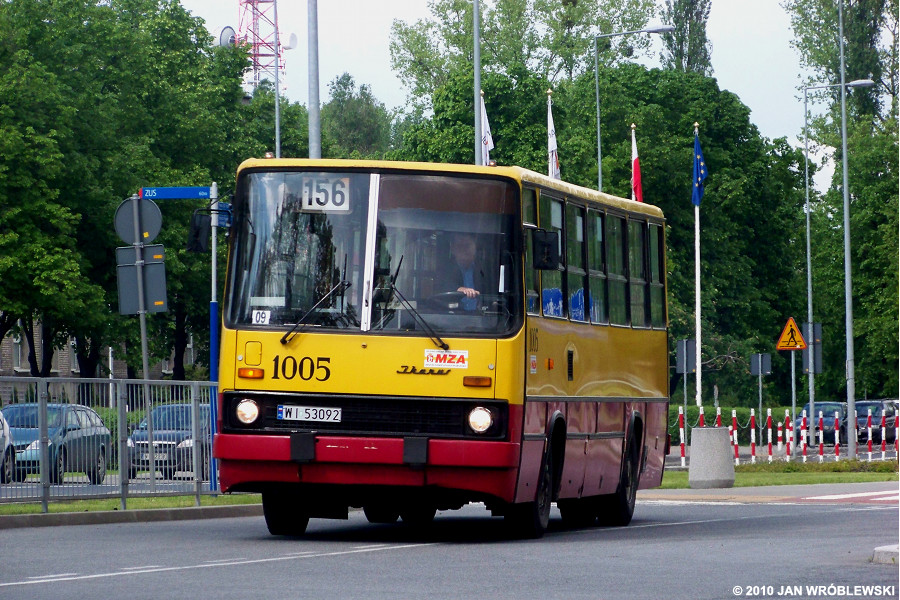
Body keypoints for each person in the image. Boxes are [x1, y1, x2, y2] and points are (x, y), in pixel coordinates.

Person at [442, 232, 487, 310]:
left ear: (475, 247)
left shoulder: (485, 269)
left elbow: (491, 293)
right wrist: (460, 289)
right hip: (453, 317)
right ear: (452, 249)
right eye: (460, 246)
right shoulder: (444, 269)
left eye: (467, 245)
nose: (464, 250)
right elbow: (442, 285)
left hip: (481, 318)